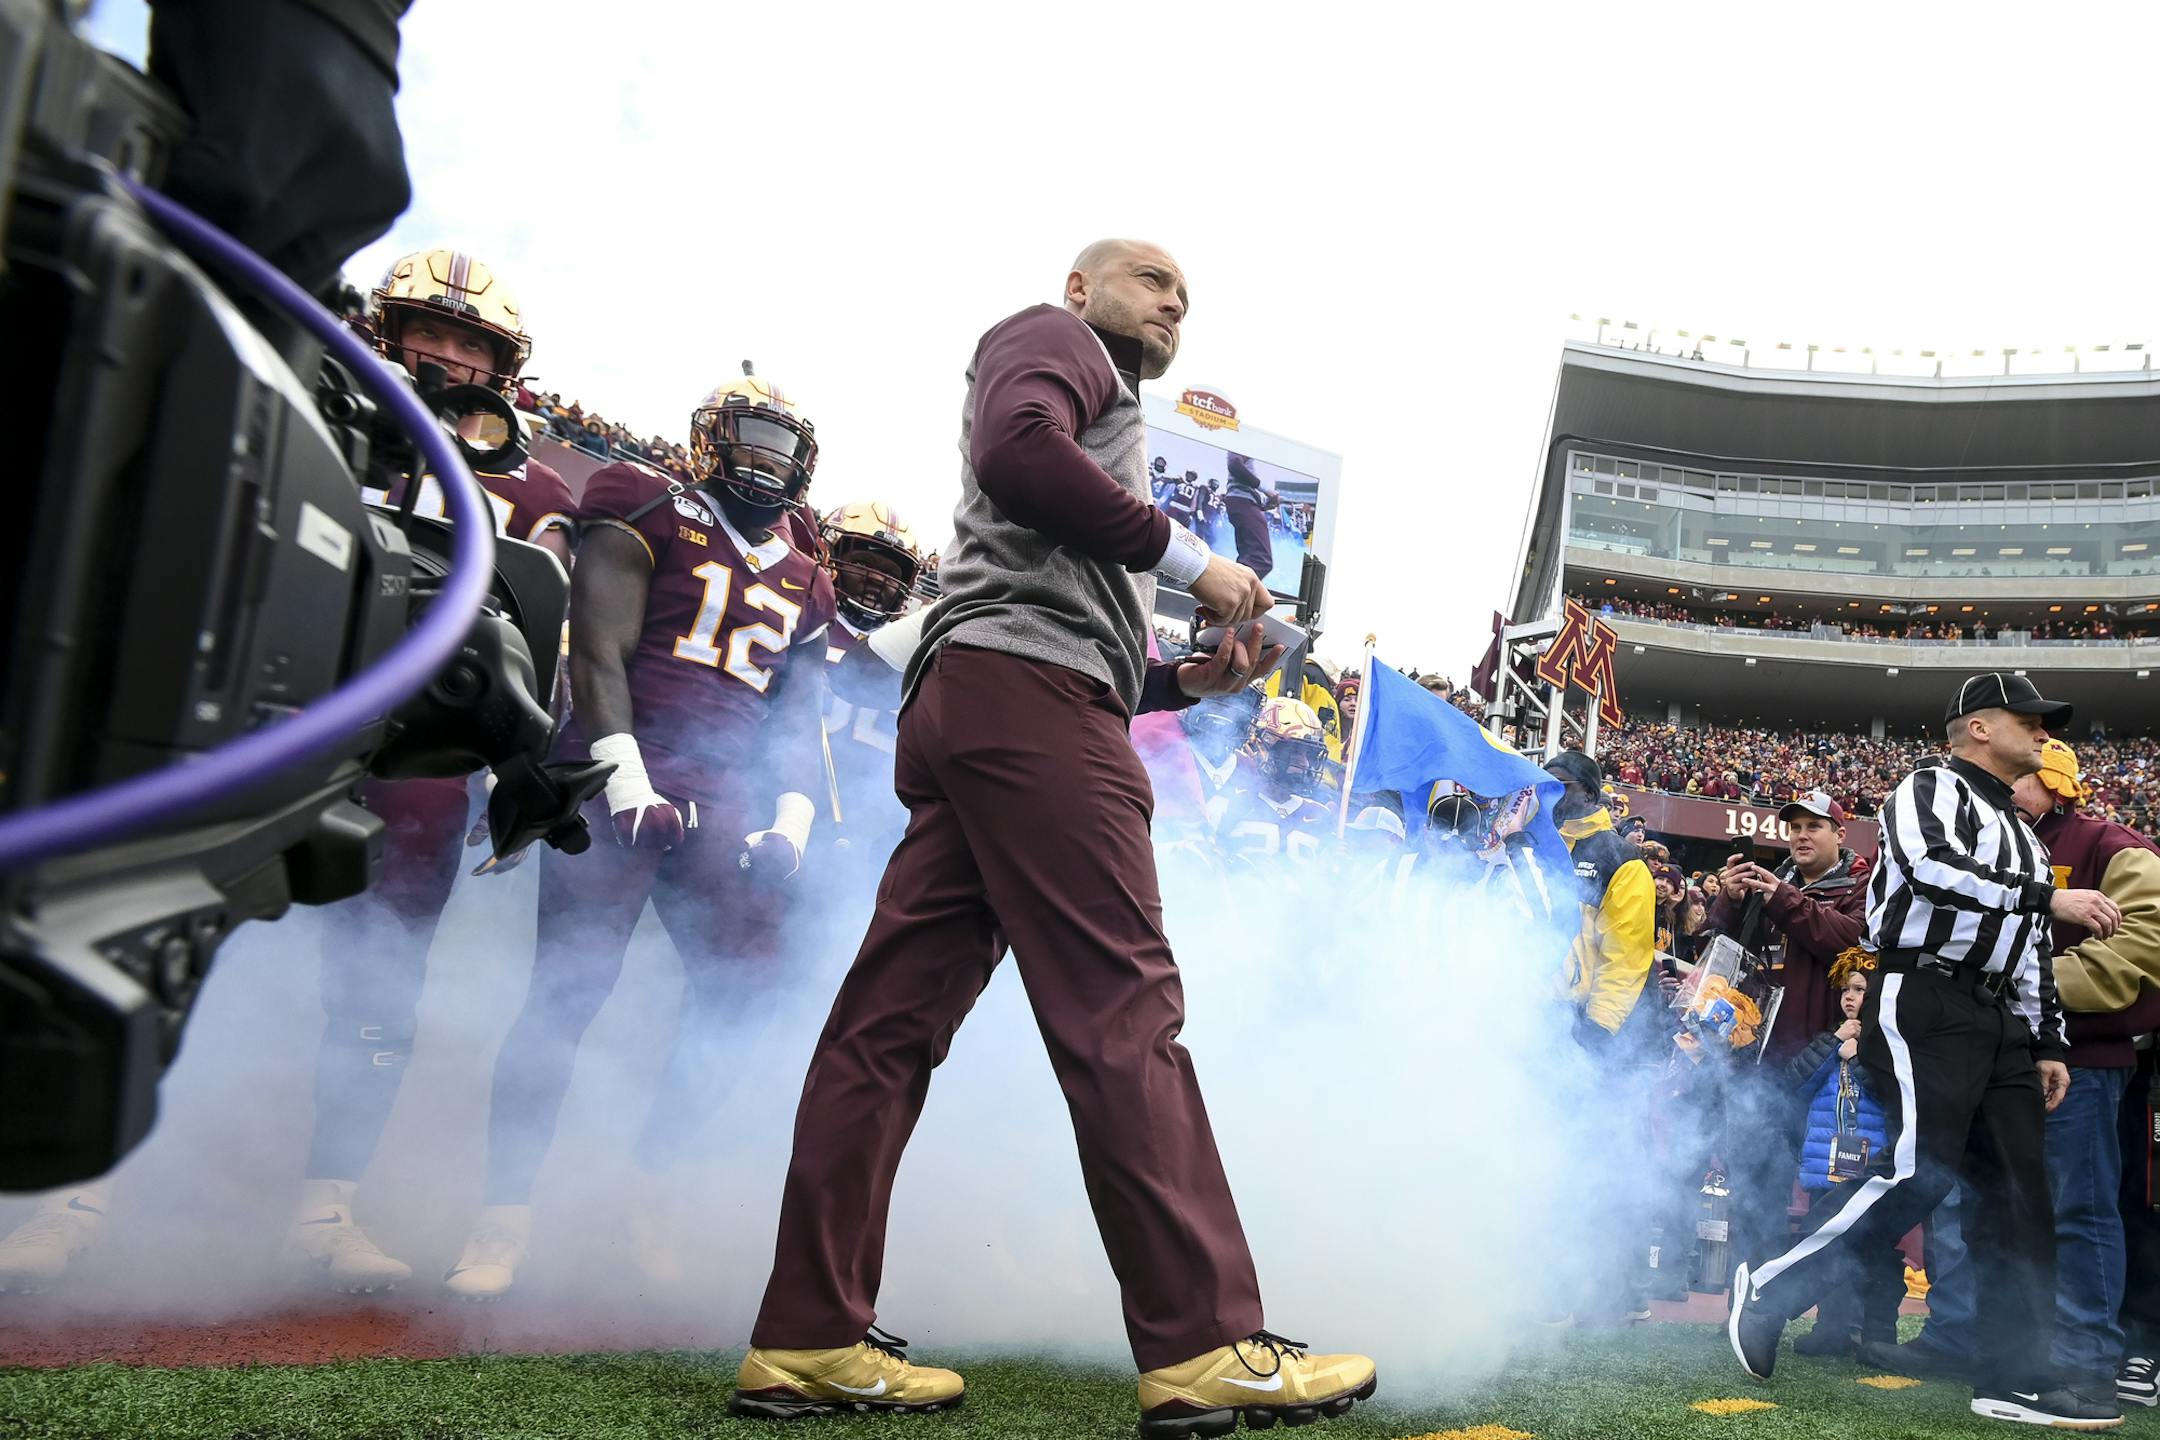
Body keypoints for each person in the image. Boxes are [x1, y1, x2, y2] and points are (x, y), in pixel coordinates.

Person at [732, 239, 1374, 1434]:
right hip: (1028, 707)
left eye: (1187, 295)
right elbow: (1014, 452)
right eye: (1151, 279)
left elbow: (1070, 626)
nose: (1174, 301)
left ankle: (807, 1332)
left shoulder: (1092, 419)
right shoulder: (1051, 337)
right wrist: (1196, 564)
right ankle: (1202, 1340)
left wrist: (1189, 679)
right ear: (1084, 290)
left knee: (887, 1026)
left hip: (991, 697)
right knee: (1125, 1011)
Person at [442, 372, 837, 1300]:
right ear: (710, 436)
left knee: (751, 994)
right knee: (566, 996)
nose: (765, 462)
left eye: (784, 450)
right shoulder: (643, 500)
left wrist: (789, 822)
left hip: (726, 795)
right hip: (618, 772)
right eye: (752, 438)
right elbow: (598, 646)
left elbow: (797, 722)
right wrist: (626, 776)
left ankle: (645, 1189)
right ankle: (503, 1217)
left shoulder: (811, 577)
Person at [1728, 673, 2126, 1430]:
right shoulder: (1927, 787)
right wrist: (2045, 897)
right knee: (1920, 1168)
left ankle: (2014, 1372)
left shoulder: (2020, 831)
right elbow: (1930, 869)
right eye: (2029, 719)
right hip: (1923, 994)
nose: (2044, 734)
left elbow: (2032, 947)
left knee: (2020, 1194)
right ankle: (1775, 1285)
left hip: (1999, 1015)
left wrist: (2047, 1039)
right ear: (1977, 726)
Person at [1544, 748, 1658, 1324]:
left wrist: (1598, 1032)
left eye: (1561, 784)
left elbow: (1628, 956)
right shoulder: (1535, 843)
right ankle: (1560, 1280)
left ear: (1588, 791)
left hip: (1597, 1032)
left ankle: (1614, 1289)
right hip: (1545, 1025)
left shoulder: (1620, 859)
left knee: (1605, 1157)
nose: (1551, 792)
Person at [1786, 961, 1903, 1360]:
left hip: (1871, 1170)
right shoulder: (1829, 1040)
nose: (1851, 997)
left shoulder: (1890, 1045)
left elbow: (1893, 1096)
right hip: (1826, 1165)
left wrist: (1861, 1057)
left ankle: (1878, 1333)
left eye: (1860, 990)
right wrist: (1834, 1044)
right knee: (1828, 1248)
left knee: (1877, 1249)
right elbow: (1794, 1082)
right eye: (1847, 990)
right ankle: (1832, 1329)